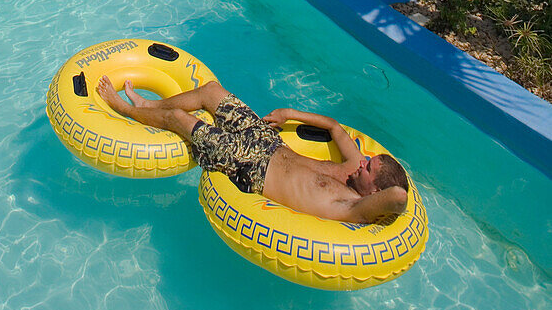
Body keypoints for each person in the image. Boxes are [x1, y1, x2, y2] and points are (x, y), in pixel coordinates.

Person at [96, 76, 409, 224]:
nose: (362, 161)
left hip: (251, 167)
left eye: (369, 168)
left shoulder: (354, 206)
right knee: (211, 92)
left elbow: (399, 198)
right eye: (368, 160)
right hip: (268, 142)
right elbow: (335, 127)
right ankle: (149, 103)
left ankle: (124, 108)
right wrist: (290, 113)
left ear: (374, 192)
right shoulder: (352, 165)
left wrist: (390, 190)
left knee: (180, 120)